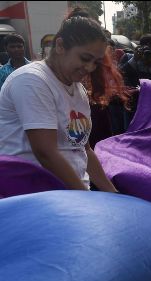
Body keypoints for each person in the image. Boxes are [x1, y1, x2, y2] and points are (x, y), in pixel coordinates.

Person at [0, 15, 118, 192]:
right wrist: (88, 200)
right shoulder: (31, 80)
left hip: (68, 195)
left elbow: (83, 148)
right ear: (61, 46)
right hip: (32, 194)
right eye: (85, 58)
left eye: (96, 62)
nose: (90, 68)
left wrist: (113, 194)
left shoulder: (78, 89)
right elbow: (46, 153)